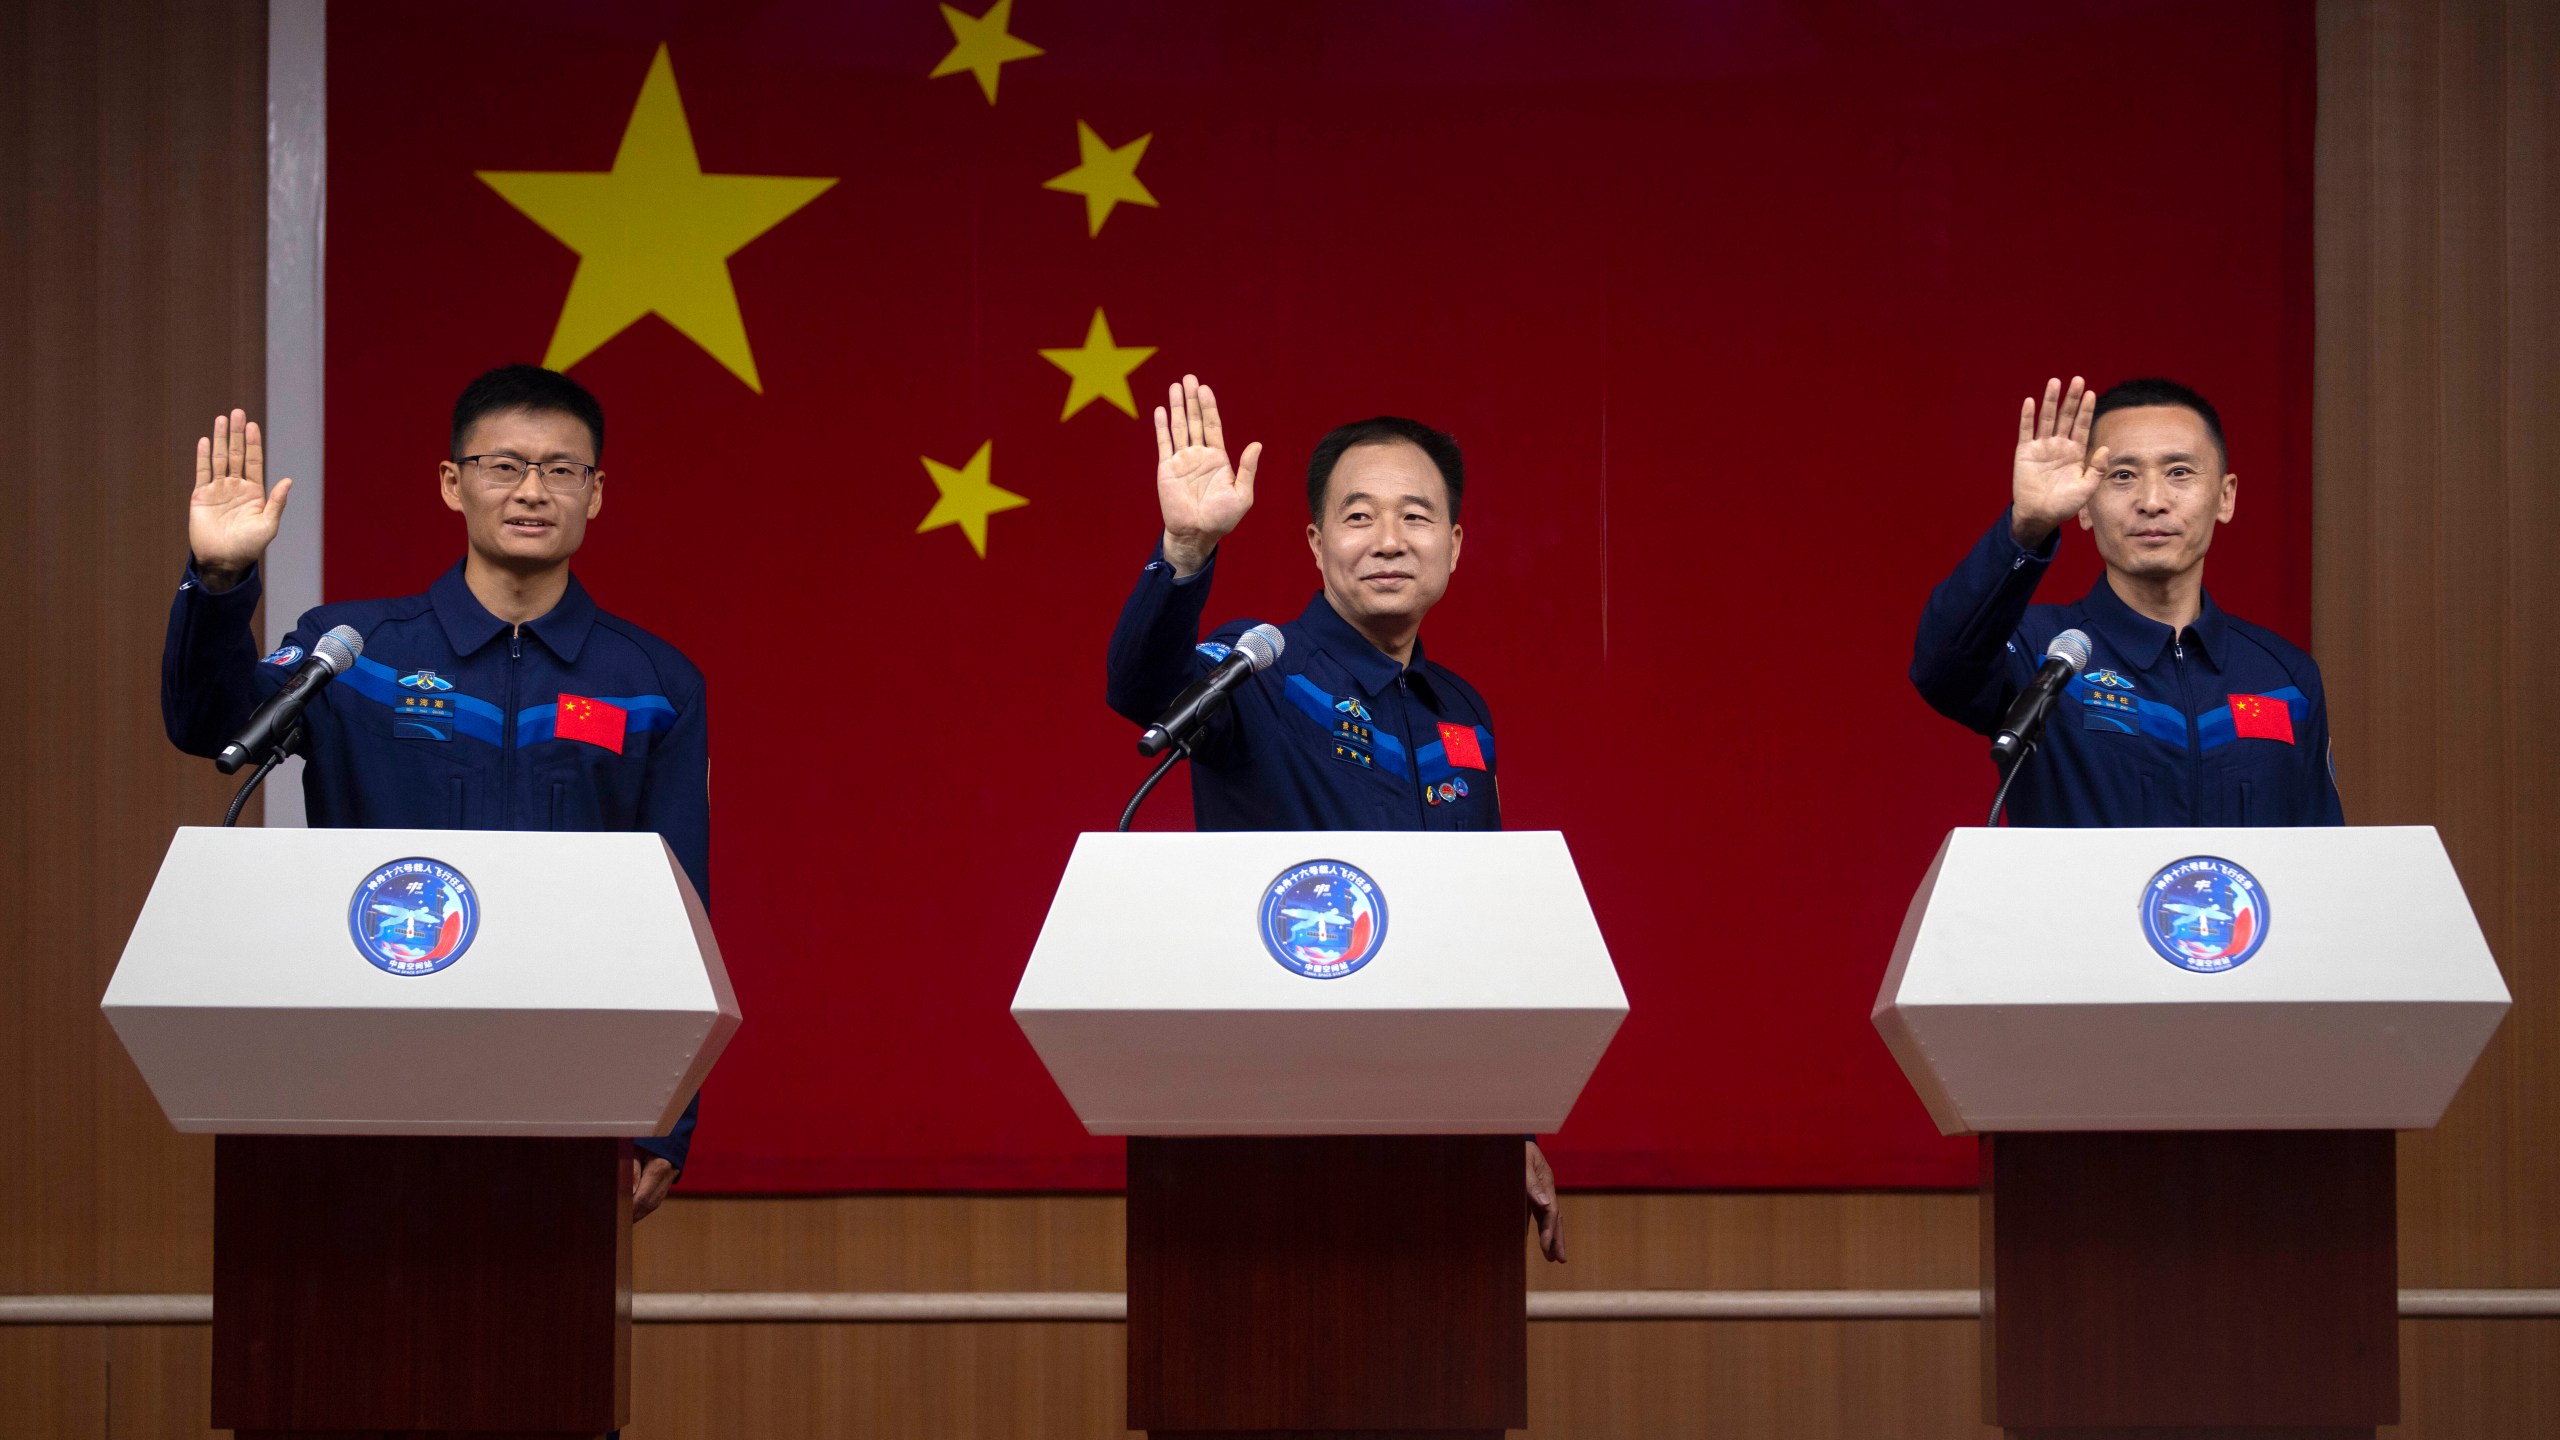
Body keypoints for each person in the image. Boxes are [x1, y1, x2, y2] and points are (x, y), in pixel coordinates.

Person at [163, 365, 706, 1217]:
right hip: (358, 1065)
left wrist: (665, 1120)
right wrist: (221, 585)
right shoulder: (351, 651)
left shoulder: (653, 684)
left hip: (569, 1078)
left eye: (562, 470)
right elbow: (209, 726)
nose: (533, 491)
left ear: (595, 495)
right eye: (504, 466)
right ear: (454, 484)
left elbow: (682, 906)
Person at [1105, 374, 1565, 1260]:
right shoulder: (1257, 667)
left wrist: (1509, 1123)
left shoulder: (1462, 715)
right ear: (1316, 545)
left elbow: (1483, 940)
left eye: (1416, 517)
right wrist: (1187, 550)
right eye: (1358, 517)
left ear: (1457, 545)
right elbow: (1141, 686)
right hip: (1259, 1122)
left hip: (1437, 1141)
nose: (1389, 541)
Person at [1911, 375, 2343, 826]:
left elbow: (2322, 858)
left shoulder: (2284, 677)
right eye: (2121, 475)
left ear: (2225, 496)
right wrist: (2027, 526)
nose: (2152, 501)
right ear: (2084, 504)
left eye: (2179, 472)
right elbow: (1940, 666)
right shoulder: (2044, 653)